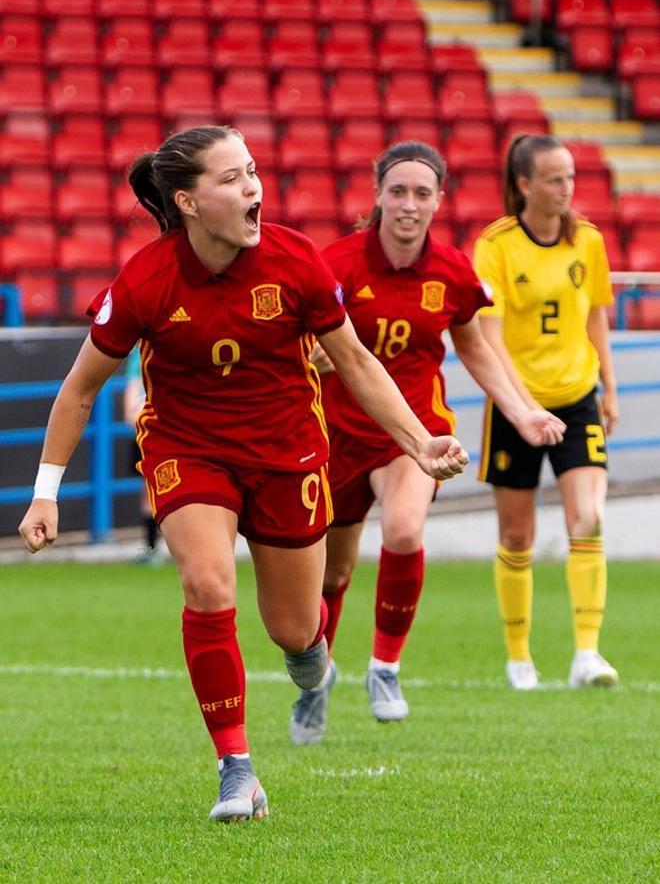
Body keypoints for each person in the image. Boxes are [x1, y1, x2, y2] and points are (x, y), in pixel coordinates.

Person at [18, 126, 472, 824]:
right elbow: (79, 390)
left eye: (253, 173)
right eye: (231, 179)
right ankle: (237, 771)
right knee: (206, 584)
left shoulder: (296, 260)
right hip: (187, 447)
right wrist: (45, 492)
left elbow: (352, 361)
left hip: (286, 451)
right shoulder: (143, 279)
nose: (253, 188)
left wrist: (417, 441)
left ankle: (314, 668)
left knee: (294, 631)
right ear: (189, 202)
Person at [289, 140, 566, 746]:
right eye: (398, 191)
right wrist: (325, 358)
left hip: (415, 434)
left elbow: (474, 348)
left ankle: (385, 668)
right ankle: (316, 684)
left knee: (406, 530)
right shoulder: (335, 263)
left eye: (421, 193)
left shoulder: (452, 271)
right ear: (378, 195)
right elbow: (298, 346)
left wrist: (522, 411)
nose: (408, 204)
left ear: (439, 200)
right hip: (336, 435)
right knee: (331, 578)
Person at [473, 133, 619, 691]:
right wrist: (524, 407)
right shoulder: (497, 245)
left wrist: (609, 388)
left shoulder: (589, 242)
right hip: (515, 403)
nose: (567, 189)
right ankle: (518, 658)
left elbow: (596, 318)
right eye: (555, 179)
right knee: (517, 535)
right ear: (524, 185)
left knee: (589, 519)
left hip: (577, 398)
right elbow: (490, 338)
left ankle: (588, 654)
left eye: (572, 178)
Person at [123, 345, 161, 563]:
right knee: (149, 491)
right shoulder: (139, 351)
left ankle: (154, 548)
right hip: (149, 430)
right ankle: (152, 548)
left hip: (164, 429)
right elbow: (132, 388)